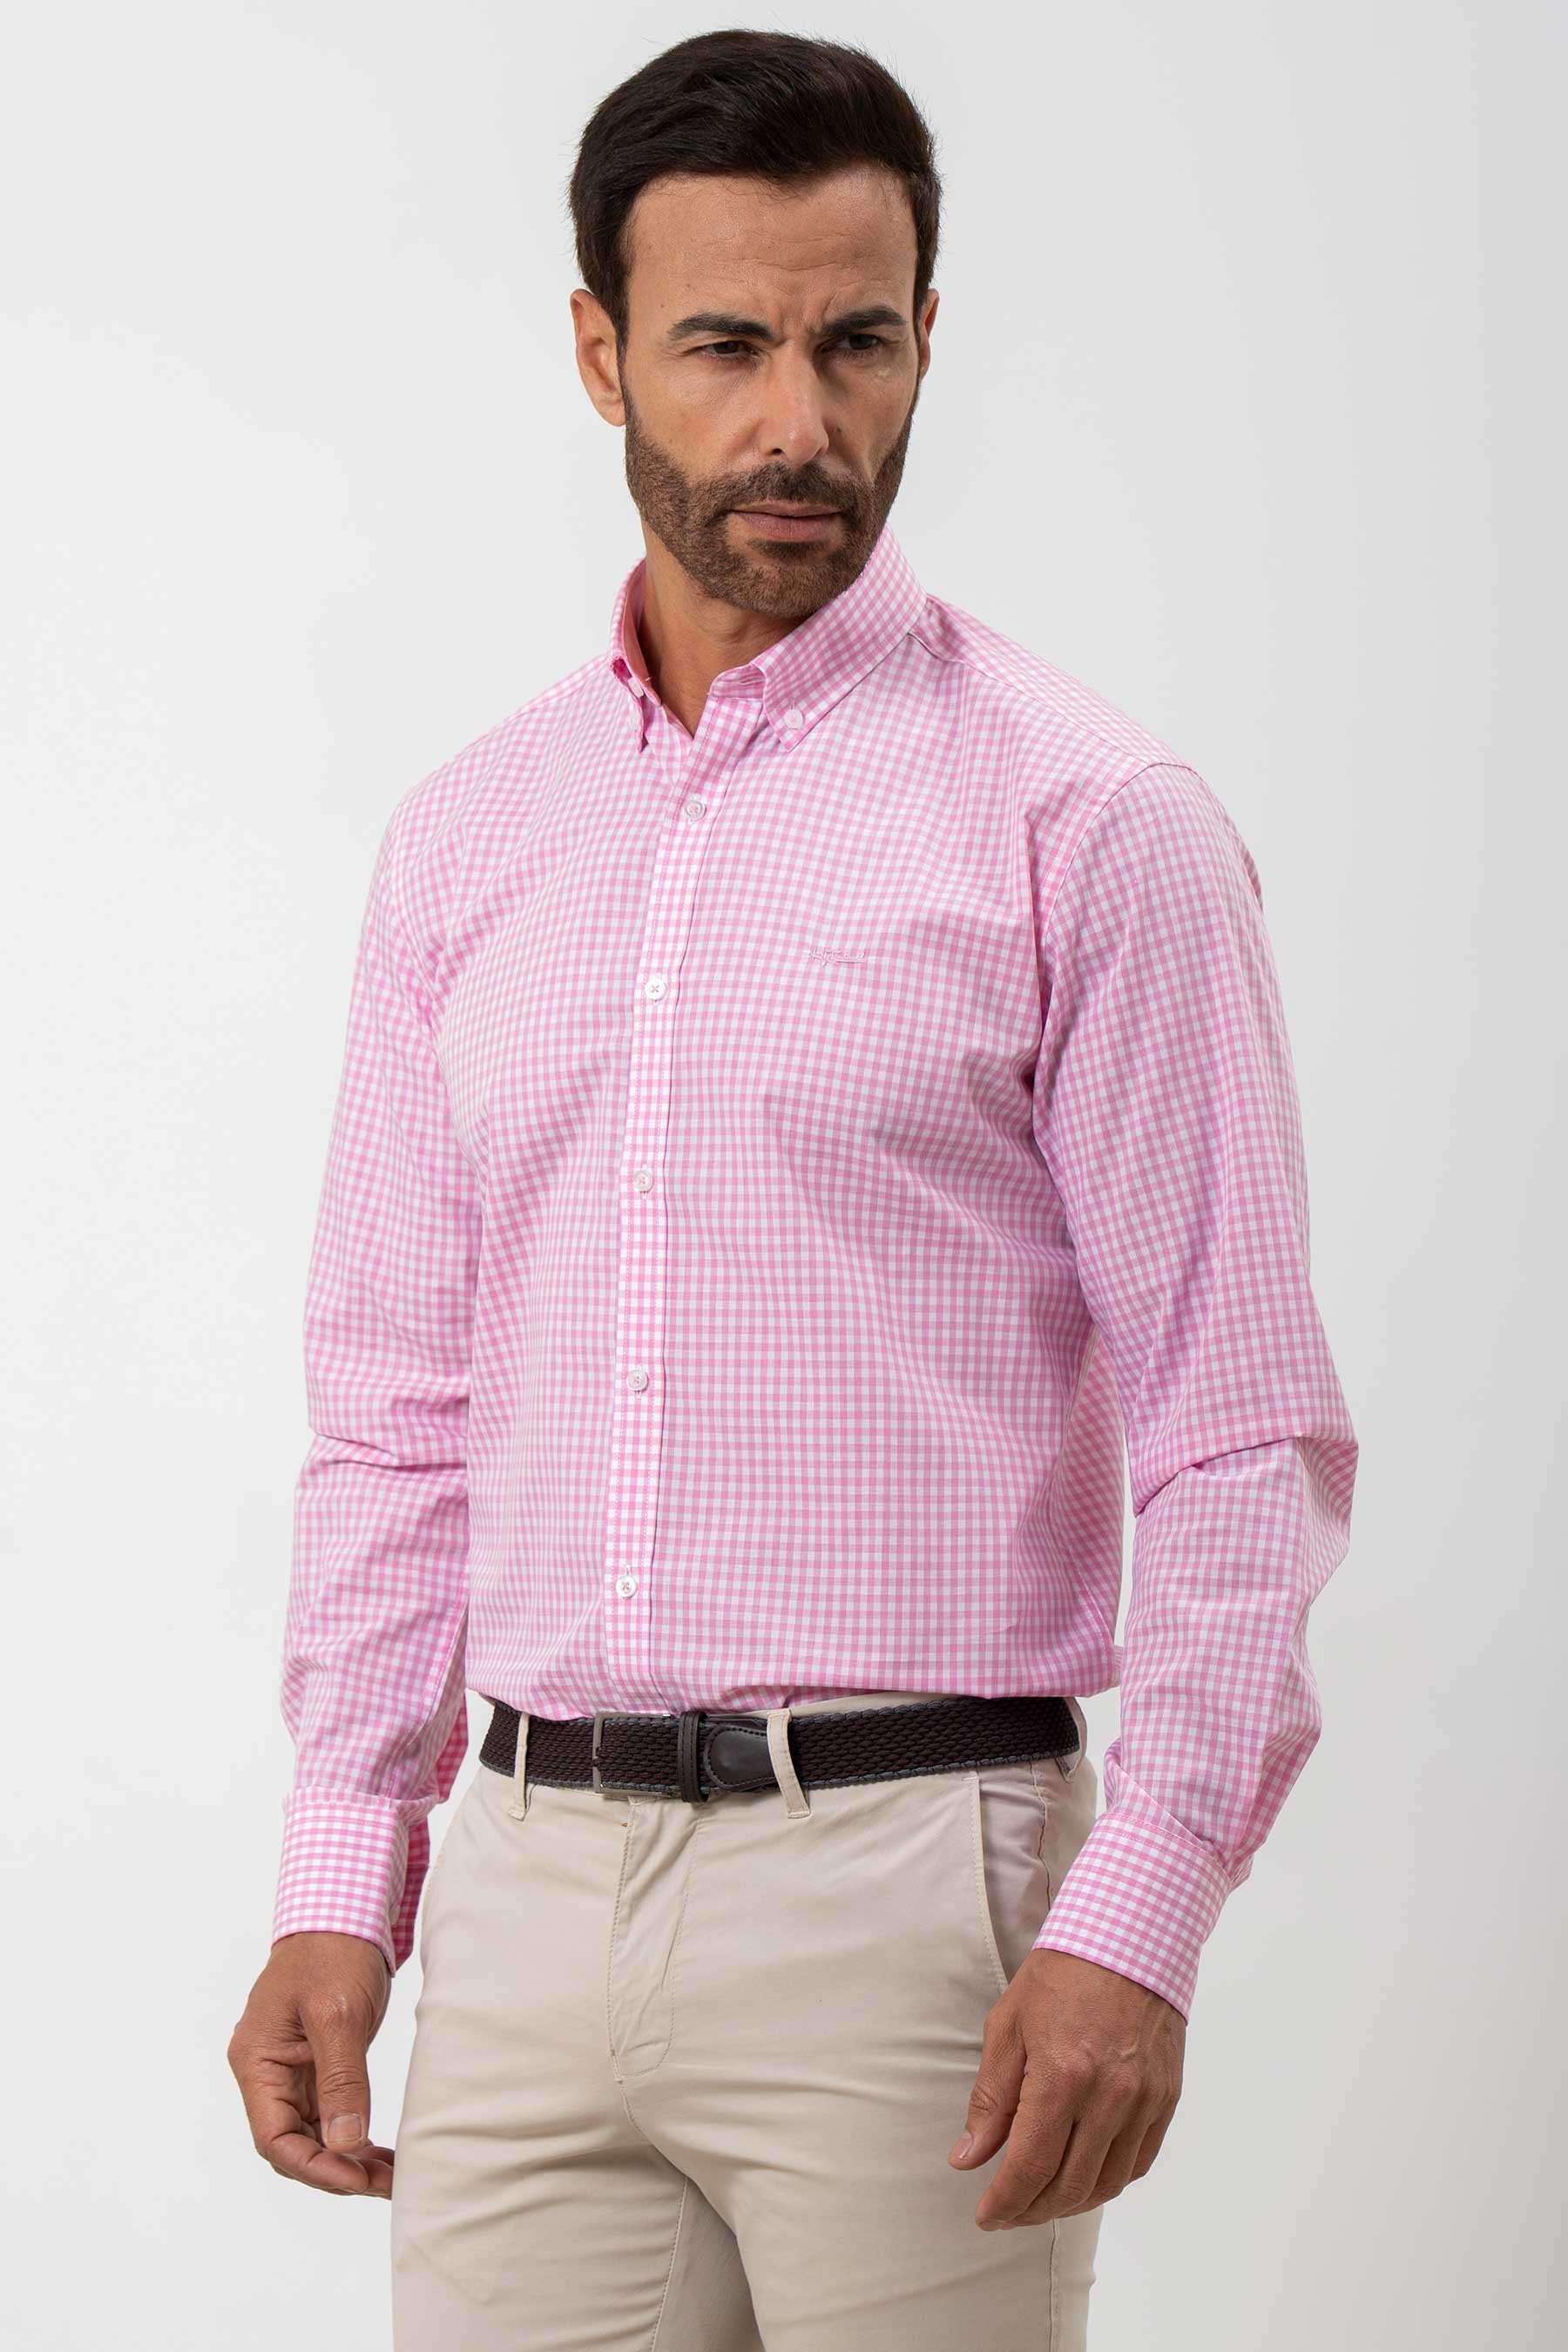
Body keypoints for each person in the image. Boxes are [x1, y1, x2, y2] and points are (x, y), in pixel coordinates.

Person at [227, 28, 1360, 2349]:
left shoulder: (1089, 824)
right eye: (727, 344)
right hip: (529, 1893)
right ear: (599, 352)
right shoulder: (467, 840)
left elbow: (1241, 1428)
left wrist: (1140, 1910)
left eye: (857, 342)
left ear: (927, 333)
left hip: (918, 1896)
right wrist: (347, 1861)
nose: (800, 424)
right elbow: (397, 1413)